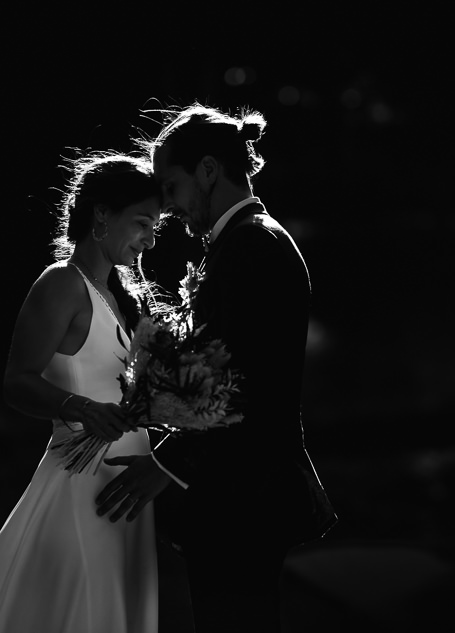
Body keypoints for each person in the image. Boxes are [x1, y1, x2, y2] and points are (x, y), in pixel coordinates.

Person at [95, 104, 337, 633]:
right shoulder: (239, 242)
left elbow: (242, 385)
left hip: (245, 498)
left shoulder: (252, 245)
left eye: (171, 186)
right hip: (235, 493)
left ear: (208, 170)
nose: (167, 205)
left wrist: (164, 466)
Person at [0, 153, 162, 633]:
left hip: (126, 489)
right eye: (143, 223)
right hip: (83, 486)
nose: (150, 239)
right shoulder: (61, 284)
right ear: (101, 214)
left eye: (155, 228)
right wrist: (78, 407)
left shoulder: (120, 298)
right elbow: (17, 380)